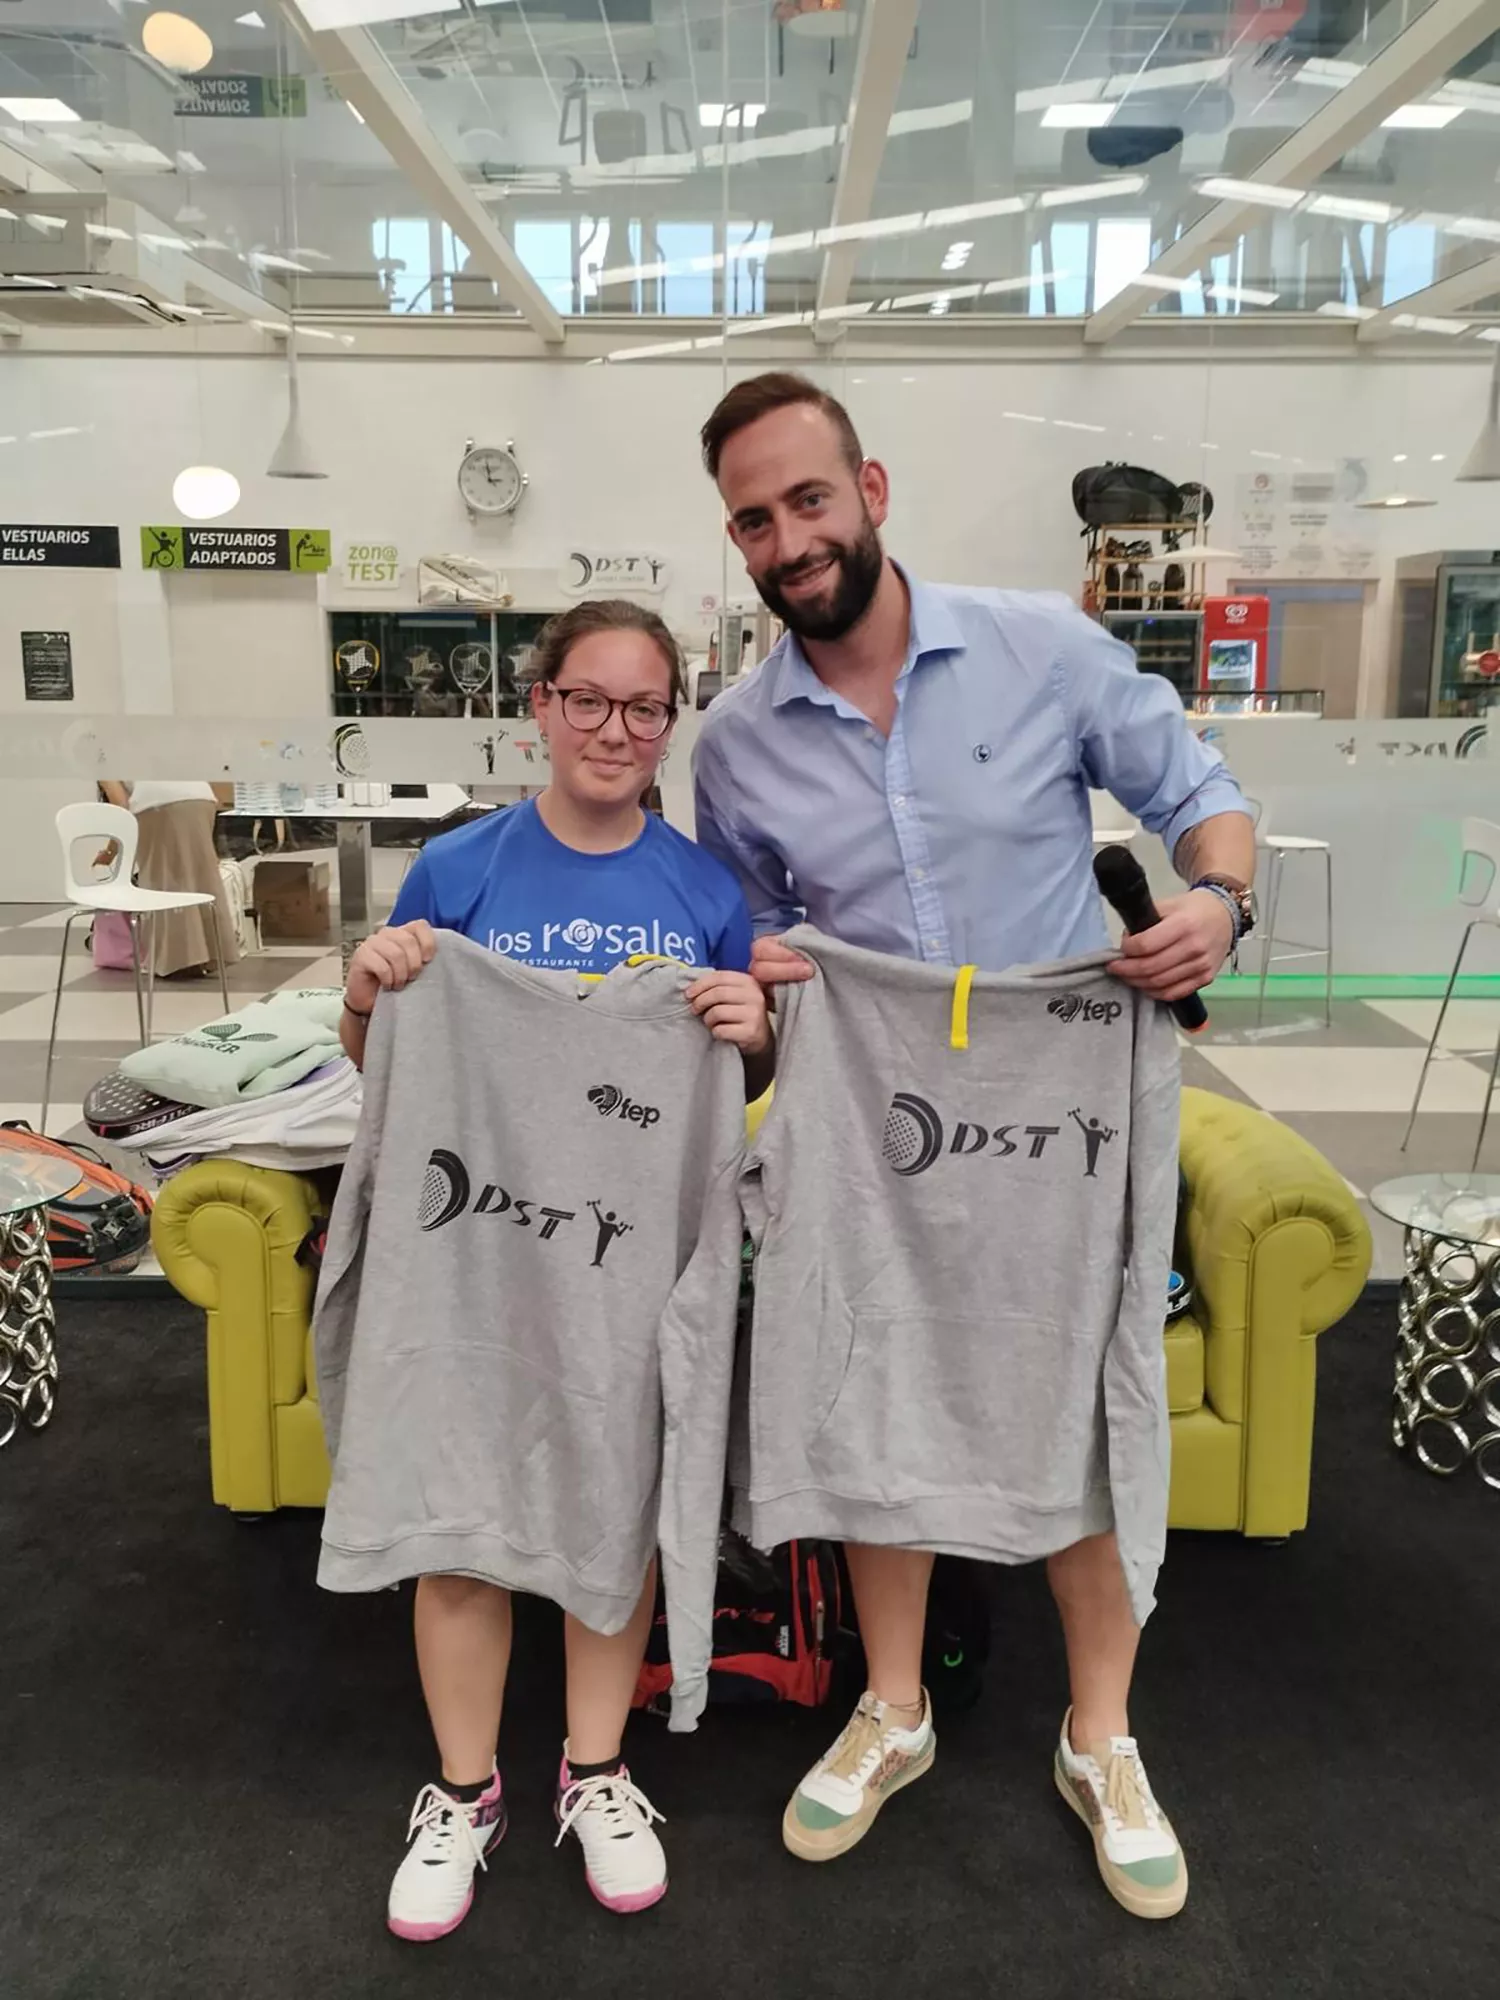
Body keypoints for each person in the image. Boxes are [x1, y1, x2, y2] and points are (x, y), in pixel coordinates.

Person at [692, 372, 1257, 1921]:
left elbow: (1206, 804)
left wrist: (1218, 906)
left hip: (1064, 1114)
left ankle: (1101, 1736)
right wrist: (764, 970)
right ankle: (895, 1710)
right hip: (879, 1131)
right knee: (880, 1398)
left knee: (1079, 1398)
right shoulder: (735, 745)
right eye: (755, 516)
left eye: (809, 499)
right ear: (734, 539)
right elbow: (738, 921)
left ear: (869, 488)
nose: (790, 537)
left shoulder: (1043, 649)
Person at [336, 598, 771, 1943]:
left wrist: (755, 1032)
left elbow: (740, 1098)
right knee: (455, 1510)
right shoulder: (456, 871)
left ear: (669, 723)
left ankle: (596, 1772)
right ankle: (465, 1794)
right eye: (589, 699)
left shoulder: (705, 893)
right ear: (540, 703)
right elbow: (382, 1071)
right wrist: (368, 991)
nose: (615, 730)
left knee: (611, 1505)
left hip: (623, 1274)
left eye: (645, 709)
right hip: (468, 1268)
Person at [96, 781, 240, 979]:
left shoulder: (103, 758)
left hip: (158, 805)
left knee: (162, 881)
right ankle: (210, 954)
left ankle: (174, 961)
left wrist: (110, 851)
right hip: (201, 797)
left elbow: (122, 807)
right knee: (201, 878)